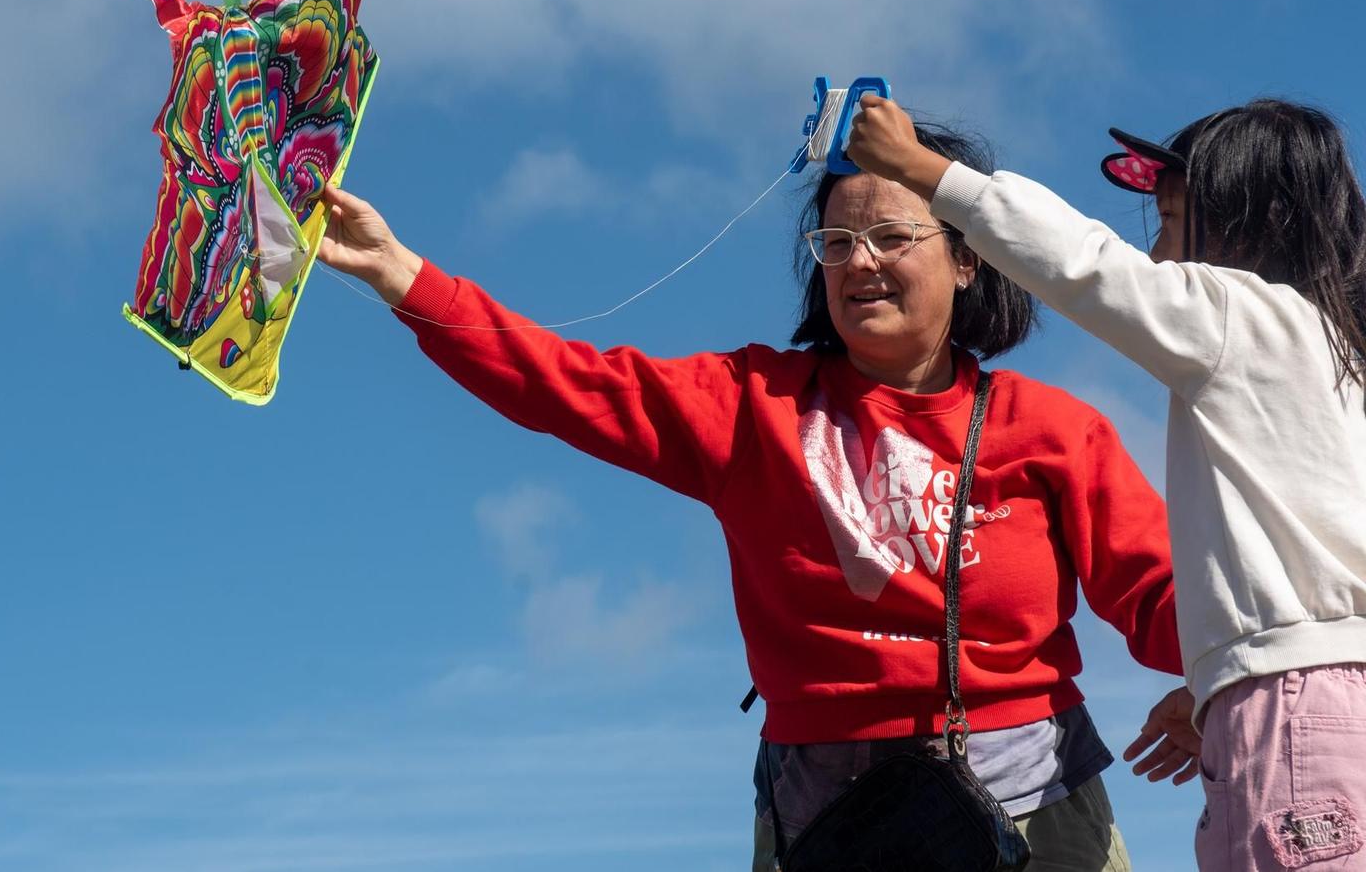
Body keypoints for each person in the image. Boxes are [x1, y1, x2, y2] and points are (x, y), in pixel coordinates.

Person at [319, 122, 1192, 871]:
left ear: (968, 257)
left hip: (1039, 816)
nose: (861, 261)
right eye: (837, 242)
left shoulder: (1053, 427)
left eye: (892, 235)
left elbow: (1163, 595)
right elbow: (562, 382)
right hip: (826, 823)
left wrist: (1224, 679)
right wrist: (401, 274)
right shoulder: (750, 402)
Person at [848, 95, 1366, 872]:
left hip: (1293, 711)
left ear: (1247, 224)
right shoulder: (1341, 353)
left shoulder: (1242, 317)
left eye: (1171, 220)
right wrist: (1220, 677)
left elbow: (1086, 265)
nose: (1155, 253)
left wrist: (922, 170)